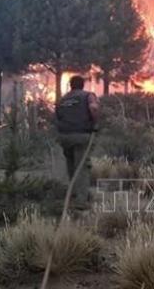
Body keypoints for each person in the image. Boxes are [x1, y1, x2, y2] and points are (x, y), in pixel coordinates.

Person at [55, 75, 99, 208]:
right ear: (83, 85)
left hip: (64, 137)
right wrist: (95, 123)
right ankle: (81, 201)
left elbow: (58, 116)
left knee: (71, 165)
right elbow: (94, 108)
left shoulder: (62, 99)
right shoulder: (88, 96)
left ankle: (73, 194)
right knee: (82, 167)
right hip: (82, 135)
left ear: (71, 85)